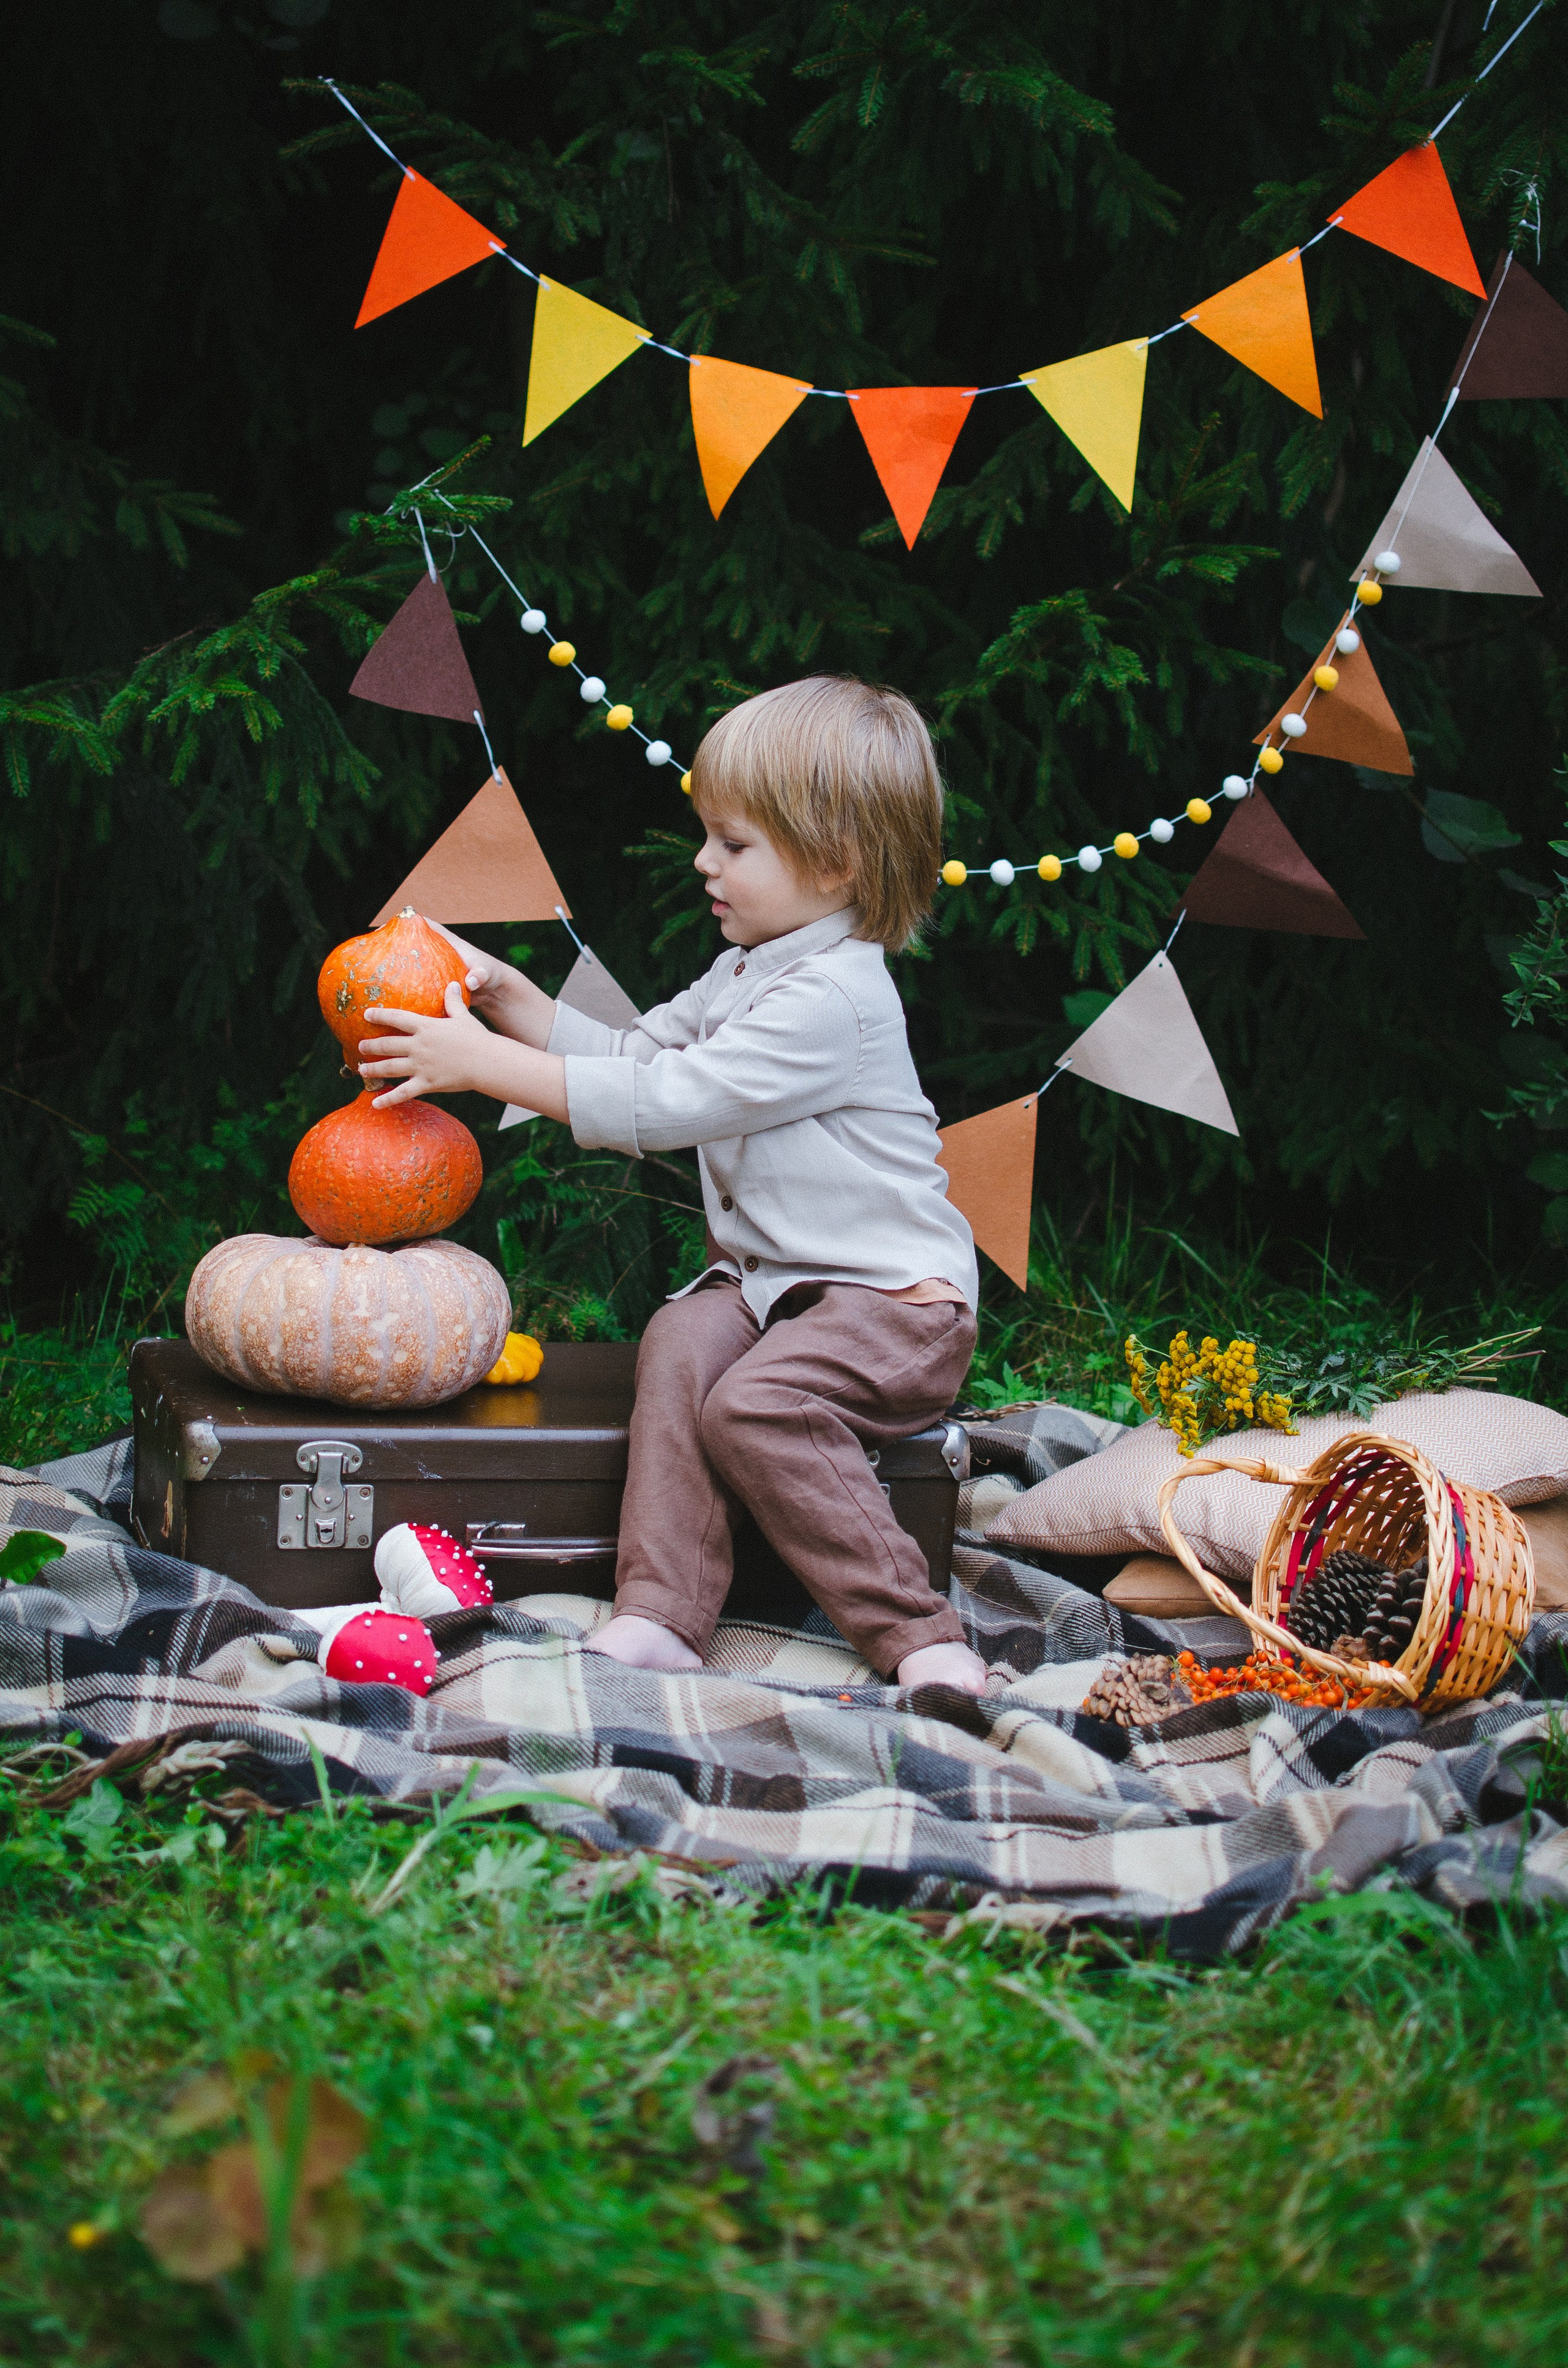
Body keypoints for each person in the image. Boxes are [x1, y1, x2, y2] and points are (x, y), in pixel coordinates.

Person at [358, 675, 987, 1695]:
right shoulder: (751, 967)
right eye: (709, 836)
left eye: (733, 844)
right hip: (778, 1287)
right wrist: (512, 1000)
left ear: (834, 862)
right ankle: (662, 1614)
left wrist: (476, 1062)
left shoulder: (833, 997)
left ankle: (920, 1636)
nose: (705, 861)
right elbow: (633, 1053)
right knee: (682, 1337)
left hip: (892, 1305)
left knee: (760, 1407)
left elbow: (660, 1104)